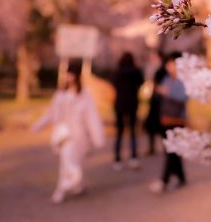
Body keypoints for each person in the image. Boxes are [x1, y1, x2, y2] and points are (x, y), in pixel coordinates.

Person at [31, 69, 105, 204]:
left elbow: (92, 118)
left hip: (79, 136)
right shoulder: (60, 95)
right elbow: (51, 113)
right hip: (64, 135)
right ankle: (62, 188)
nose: (69, 78)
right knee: (67, 162)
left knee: (75, 161)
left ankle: (77, 186)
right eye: (67, 75)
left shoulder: (84, 96)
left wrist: (97, 137)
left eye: (71, 75)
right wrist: (38, 125)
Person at [149, 52, 187, 193]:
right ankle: (181, 177)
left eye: (173, 64)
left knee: (172, 150)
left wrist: (166, 92)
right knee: (172, 150)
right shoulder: (167, 79)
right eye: (168, 64)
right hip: (165, 118)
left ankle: (164, 180)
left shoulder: (182, 80)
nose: (170, 67)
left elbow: (183, 97)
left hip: (177, 119)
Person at [110, 52, 144, 170]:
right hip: (132, 104)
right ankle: (133, 157)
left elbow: (113, 84)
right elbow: (141, 83)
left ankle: (117, 159)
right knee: (133, 132)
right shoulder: (136, 71)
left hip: (119, 104)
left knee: (119, 132)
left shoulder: (117, 72)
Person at [143, 50, 167, 156]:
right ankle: (153, 147)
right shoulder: (150, 66)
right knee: (152, 125)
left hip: (160, 101)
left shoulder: (162, 69)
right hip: (154, 99)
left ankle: (166, 146)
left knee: (161, 125)